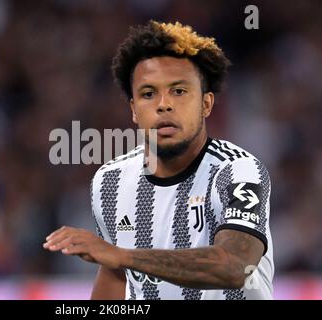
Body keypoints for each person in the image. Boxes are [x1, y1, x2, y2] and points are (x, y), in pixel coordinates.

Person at [43, 20, 274, 300]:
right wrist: (117, 259)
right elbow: (114, 275)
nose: (163, 104)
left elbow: (237, 266)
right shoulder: (110, 181)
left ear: (206, 104)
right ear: (134, 110)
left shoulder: (237, 171)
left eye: (179, 91)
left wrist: (124, 256)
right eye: (148, 93)